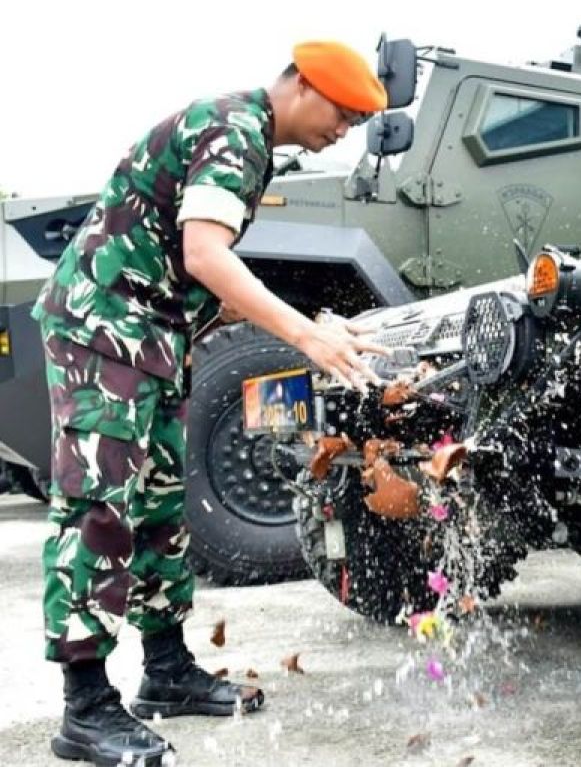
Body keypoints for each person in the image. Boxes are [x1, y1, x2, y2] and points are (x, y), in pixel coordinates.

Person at [32, 40, 391, 766]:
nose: (343, 130)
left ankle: (166, 673)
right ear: (298, 85)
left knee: (160, 510)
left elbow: (193, 270)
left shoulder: (250, 144)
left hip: (150, 341)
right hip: (104, 329)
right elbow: (206, 256)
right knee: (100, 508)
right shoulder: (234, 128)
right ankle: (86, 709)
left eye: (357, 122)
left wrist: (314, 322)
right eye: (341, 113)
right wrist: (302, 338)